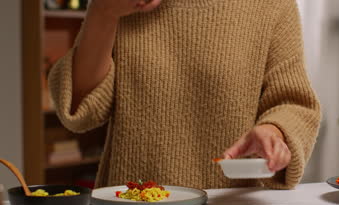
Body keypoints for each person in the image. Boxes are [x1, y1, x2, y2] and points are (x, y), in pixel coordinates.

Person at [48, 0, 321, 189]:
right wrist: (102, 12)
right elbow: (81, 109)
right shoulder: (123, 5)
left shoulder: (271, 7)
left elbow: (293, 102)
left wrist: (273, 132)